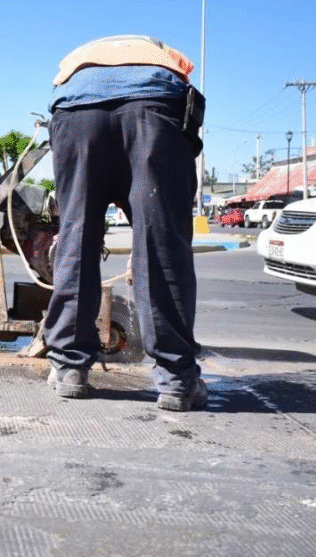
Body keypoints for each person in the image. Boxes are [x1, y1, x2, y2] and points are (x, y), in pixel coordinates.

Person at [42, 36, 208, 411]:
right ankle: (177, 379)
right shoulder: (166, 57)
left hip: (76, 111)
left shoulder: (82, 55)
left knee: (77, 235)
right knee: (162, 246)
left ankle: (69, 369)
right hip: (154, 109)